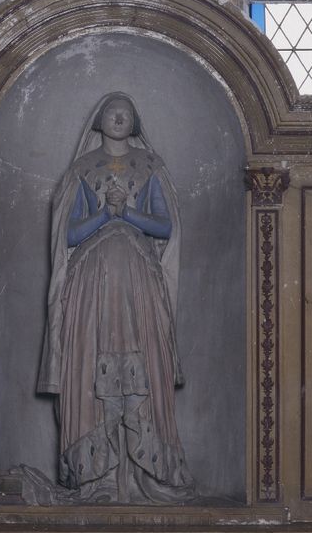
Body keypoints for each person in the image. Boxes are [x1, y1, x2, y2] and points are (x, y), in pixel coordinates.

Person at [38, 92, 195, 503]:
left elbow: (165, 227)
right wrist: (105, 215)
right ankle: (98, 479)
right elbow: (68, 234)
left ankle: (145, 476)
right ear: (99, 120)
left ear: (135, 122)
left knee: (146, 362)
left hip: (140, 281)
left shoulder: (150, 166)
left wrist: (127, 214)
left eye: (126, 113)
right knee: (90, 362)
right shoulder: (82, 169)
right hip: (90, 282)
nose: (119, 118)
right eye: (112, 112)